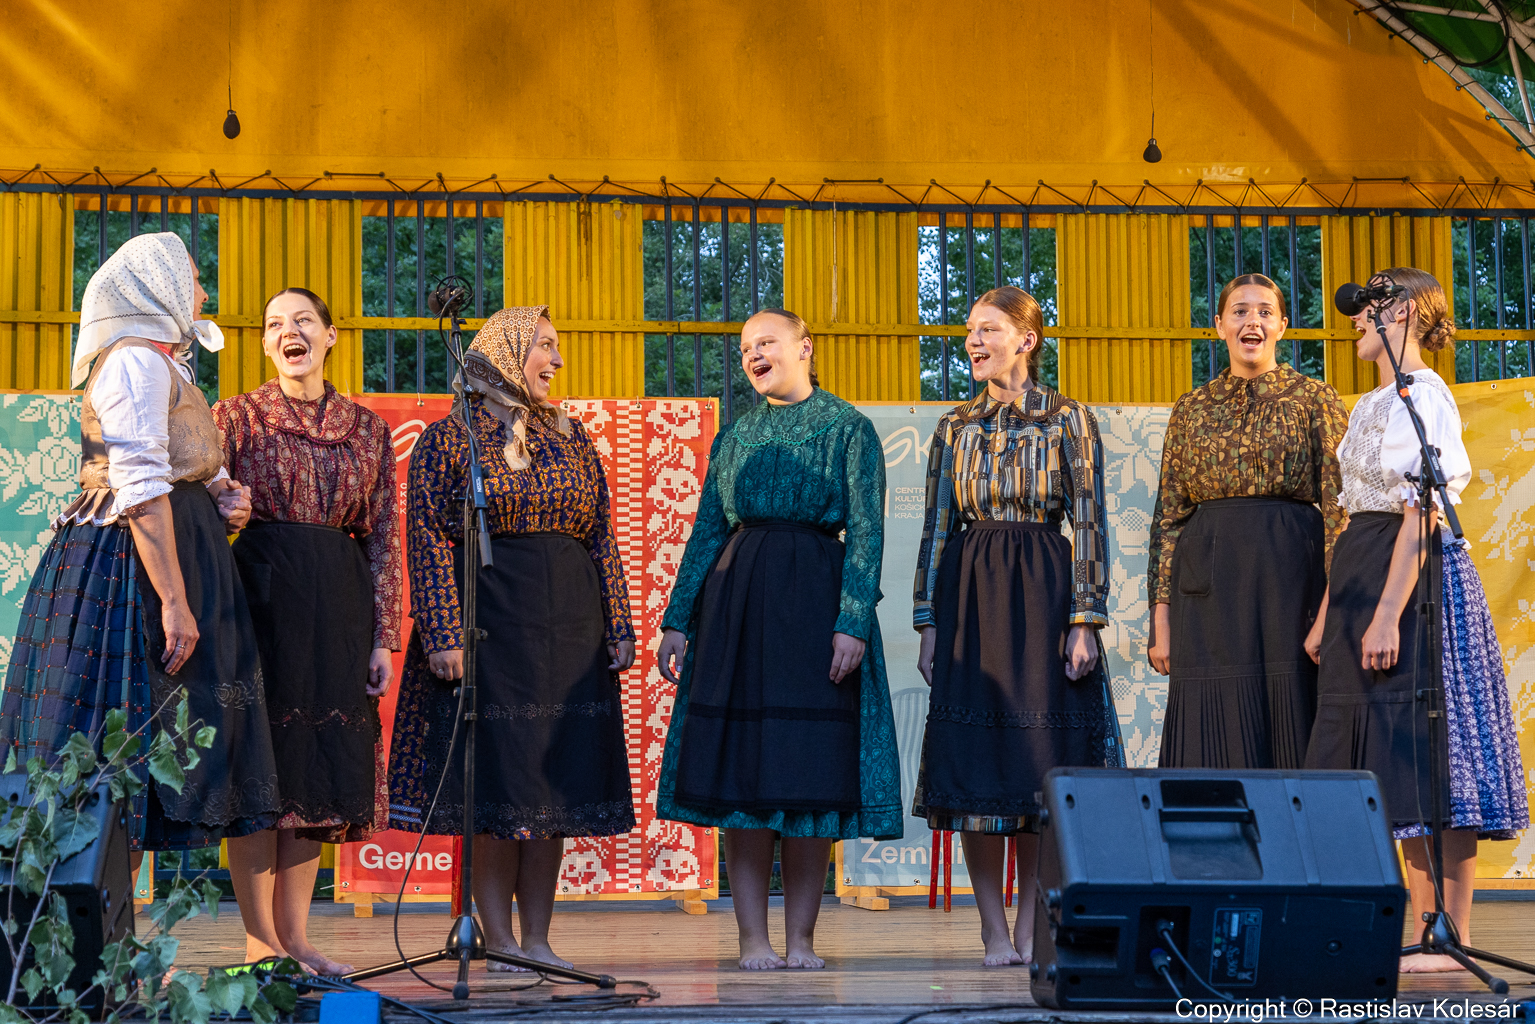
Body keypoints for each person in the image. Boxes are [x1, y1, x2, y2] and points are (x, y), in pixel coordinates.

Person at [0, 231, 279, 853]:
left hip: (166, 553)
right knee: (110, 743)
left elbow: (169, 471)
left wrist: (213, 495)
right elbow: (141, 491)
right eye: (193, 277)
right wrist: (174, 602)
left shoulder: (160, 362)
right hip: (129, 569)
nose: (203, 290)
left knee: (140, 745)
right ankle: (88, 936)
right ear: (161, 287)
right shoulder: (134, 361)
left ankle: (111, 936)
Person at [387, 306, 635, 971]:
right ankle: (496, 939)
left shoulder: (571, 438)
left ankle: (537, 939)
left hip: (570, 631)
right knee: (494, 788)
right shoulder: (449, 441)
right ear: (504, 352)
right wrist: (442, 630)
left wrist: (618, 622)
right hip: (490, 628)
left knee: (549, 791)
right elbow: (429, 539)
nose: (555, 362)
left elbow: (601, 537)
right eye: (544, 348)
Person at [655, 309, 902, 972]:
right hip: (737, 612)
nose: (753, 354)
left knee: (806, 776)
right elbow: (708, 527)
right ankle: (751, 940)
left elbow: (867, 532)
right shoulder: (734, 437)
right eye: (744, 348)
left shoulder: (846, 428)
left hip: (813, 607)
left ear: (804, 348)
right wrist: (678, 618)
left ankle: (799, 941)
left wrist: (852, 620)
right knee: (745, 777)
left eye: (765, 342)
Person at [1304, 268, 1528, 974]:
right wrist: (1327, 613)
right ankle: (1420, 924)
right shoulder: (1371, 401)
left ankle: (1448, 930)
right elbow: (1350, 517)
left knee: (1423, 751)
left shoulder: (1422, 395)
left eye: (1366, 310)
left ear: (1398, 311)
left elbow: (1419, 510)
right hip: (1362, 566)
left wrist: (1386, 616)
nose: (1353, 322)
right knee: (1380, 757)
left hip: (1409, 574)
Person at [911, 286, 1121, 967]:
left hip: (1042, 592)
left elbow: (1089, 518)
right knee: (976, 770)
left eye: (988, 329)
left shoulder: (1066, 419)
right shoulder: (954, 425)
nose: (973, 341)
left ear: (1025, 340)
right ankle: (991, 931)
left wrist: (1084, 619)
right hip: (969, 596)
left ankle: (1032, 926)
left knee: (1036, 768)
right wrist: (928, 623)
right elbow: (935, 527)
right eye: (969, 330)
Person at [213, 287, 403, 975]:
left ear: (329, 335)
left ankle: (293, 937)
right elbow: (202, 510)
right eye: (273, 325)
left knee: (315, 773)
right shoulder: (234, 418)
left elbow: (383, 536)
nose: (287, 332)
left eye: (302, 322)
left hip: (341, 604)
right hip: (260, 600)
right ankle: (256, 939)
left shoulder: (368, 428)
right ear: (265, 345)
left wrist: (383, 636)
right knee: (261, 767)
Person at [1147, 273, 1348, 769]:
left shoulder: (1315, 399)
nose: (1251, 320)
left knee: (1292, 717)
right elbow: (1169, 517)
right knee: (1209, 733)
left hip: (1290, 585)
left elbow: (1341, 510)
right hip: (1207, 592)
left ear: (1282, 325)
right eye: (1239, 311)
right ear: (1219, 326)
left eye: (1263, 311)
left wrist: (1330, 609)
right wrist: (1161, 617)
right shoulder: (1190, 408)